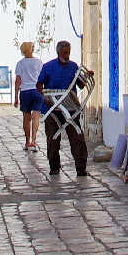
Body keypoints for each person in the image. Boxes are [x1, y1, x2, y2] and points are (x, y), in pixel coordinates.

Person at [36, 40, 90, 178]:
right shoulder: (48, 67)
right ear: (59, 52)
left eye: (68, 52)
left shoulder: (73, 66)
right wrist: (44, 97)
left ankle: (81, 168)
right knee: (53, 137)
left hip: (70, 107)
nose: (67, 55)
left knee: (77, 136)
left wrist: (86, 76)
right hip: (52, 107)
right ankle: (54, 167)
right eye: (65, 53)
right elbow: (39, 85)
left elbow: (81, 85)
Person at [14, 41, 45, 152]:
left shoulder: (20, 64)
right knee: (36, 116)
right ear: (32, 49)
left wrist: (16, 97)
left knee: (26, 118)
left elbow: (18, 81)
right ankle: (34, 140)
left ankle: (27, 142)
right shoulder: (38, 62)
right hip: (37, 91)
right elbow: (42, 78)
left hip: (25, 92)